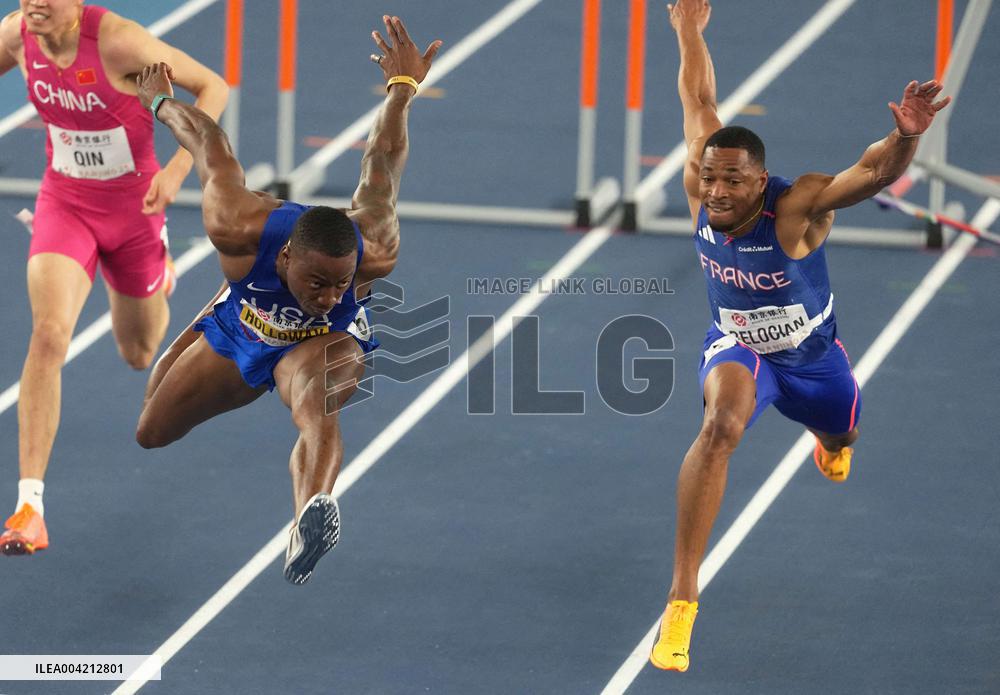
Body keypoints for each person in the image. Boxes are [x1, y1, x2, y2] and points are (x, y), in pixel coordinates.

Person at [649, 0, 950, 672]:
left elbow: (869, 174)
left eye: (732, 180)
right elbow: (698, 94)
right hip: (739, 350)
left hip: (814, 361)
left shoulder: (795, 208)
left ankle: (830, 439)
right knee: (720, 427)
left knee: (844, 432)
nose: (716, 190)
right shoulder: (702, 178)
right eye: (709, 176)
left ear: (760, 181)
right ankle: (681, 605)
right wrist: (687, 29)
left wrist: (903, 137)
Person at [131, 15, 441, 585]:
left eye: (342, 284)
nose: (330, 295)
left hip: (326, 346)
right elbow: (209, 144)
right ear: (284, 261)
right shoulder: (236, 225)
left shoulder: (374, 246)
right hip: (245, 323)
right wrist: (159, 103)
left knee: (315, 407)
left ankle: (313, 510)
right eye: (318, 284)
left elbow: (382, 162)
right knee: (151, 428)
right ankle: (218, 310)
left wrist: (404, 89)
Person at [0, 1, 228, 556]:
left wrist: (178, 171)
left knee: (138, 350)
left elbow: (213, 88)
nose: (33, 4)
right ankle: (30, 506)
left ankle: (160, 273)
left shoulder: (121, 44)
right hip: (65, 202)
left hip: (135, 210)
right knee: (50, 334)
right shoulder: (15, 36)